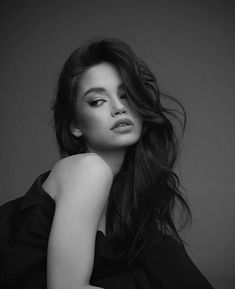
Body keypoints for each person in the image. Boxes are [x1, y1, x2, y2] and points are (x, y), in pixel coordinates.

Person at [0, 37, 214, 289]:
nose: (119, 108)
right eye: (97, 101)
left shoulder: (126, 204)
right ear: (75, 125)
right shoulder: (89, 170)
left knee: (160, 251)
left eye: (126, 95)